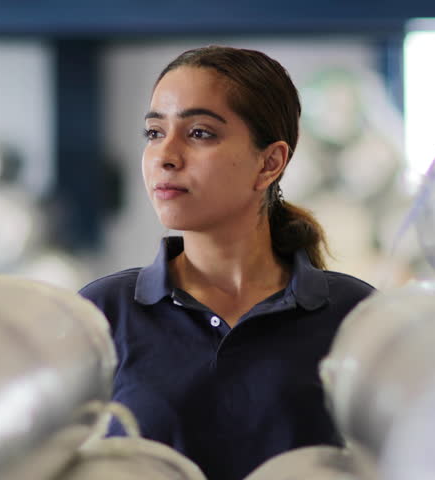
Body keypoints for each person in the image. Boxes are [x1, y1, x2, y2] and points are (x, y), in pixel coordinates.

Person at [79, 45, 375, 480]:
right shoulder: (104, 313)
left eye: (199, 133)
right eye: (155, 133)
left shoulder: (354, 315)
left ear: (269, 162)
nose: (166, 156)